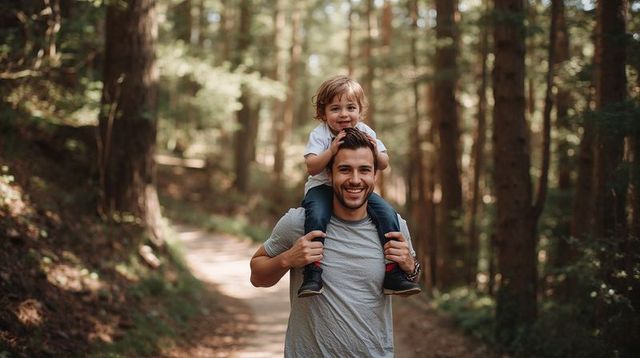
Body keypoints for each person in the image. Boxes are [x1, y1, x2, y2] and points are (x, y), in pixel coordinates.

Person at [250, 128, 422, 357]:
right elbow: (257, 276)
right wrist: (287, 259)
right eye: (344, 169)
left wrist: (410, 266)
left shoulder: (394, 228)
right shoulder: (298, 223)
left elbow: (408, 285)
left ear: (374, 175)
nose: (355, 180)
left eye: (364, 170)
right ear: (329, 175)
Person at [298, 75, 420, 297]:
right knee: (316, 215)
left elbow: (383, 163)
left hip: (356, 190)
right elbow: (312, 167)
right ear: (323, 113)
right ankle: (313, 272)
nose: (344, 114)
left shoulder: (366, 131)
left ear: (360, 111)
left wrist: (374, 149)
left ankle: (393, 272)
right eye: (335, 108)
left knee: (388, 214)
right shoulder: (320, 134)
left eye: (350, 107)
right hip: (322, 189)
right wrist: (331, 151)